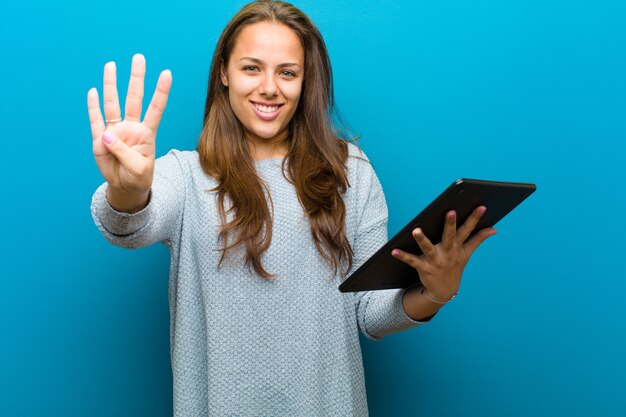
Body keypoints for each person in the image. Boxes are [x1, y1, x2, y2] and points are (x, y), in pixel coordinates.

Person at [87, 1, 496, 415]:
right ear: (224, 73)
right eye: (251, 68)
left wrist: (436, 291)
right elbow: (129, 225)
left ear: (305, 81)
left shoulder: (349, 172)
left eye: (287, 72)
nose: (270, 87)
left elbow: (372, 314)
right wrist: (127, 190)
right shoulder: (187, 175)